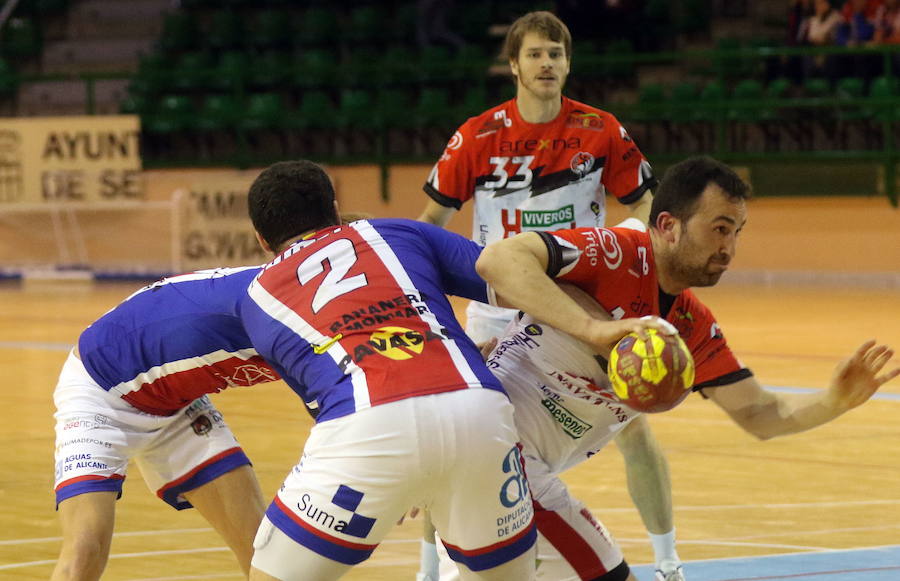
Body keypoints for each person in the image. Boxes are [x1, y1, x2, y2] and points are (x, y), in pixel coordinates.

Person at [461, 155, 899, 581]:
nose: (729, 248)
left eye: (737, 232)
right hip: (498, 450)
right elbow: (497, 260)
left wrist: (834, 401)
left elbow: (760, 414)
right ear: (669, 225)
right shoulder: (614, 252)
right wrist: (594, 329)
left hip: (498, 463)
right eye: (719, 229)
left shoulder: (692, 326)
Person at [240, 160, 606, 581]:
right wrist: (599, 331)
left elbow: (323, 391)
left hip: (367, 426)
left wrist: (394, 468)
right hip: (477, 406)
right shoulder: (402, 233)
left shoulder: (257, 292)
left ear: (261, 239)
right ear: (336, 211)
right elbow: (512, 275)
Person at [417, 10, 657, 344]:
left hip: (576, 304)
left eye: (556, 54)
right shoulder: (477, 135)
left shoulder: (601, 130)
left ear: (568, 64)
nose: (547, 63)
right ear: (513, 64)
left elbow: (647, 205)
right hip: (496, 310)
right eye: (534, 54)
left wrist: (616, 245)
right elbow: (432, 219)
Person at [51, 266, 281, 580]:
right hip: (100, 389)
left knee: (263, 550)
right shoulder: (281, 306)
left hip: (176, 400)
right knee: (84, 553)